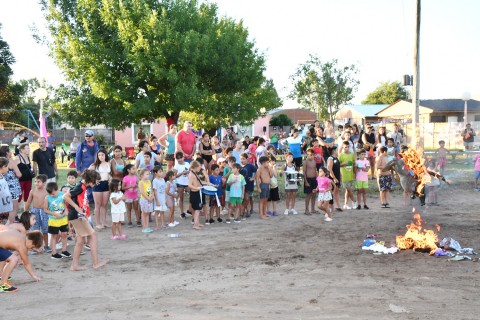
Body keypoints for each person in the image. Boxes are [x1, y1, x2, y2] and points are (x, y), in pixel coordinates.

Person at [63, 169, 108, 271]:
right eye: (95, 180)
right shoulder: (80, 187)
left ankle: (74, 265)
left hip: (77, 215)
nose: (96, 182)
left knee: (80, 240)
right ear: (90, 179)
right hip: (77, 215)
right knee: (92, 235)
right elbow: (66, 197)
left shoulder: (83, 187)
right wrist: (76, 207)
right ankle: (95, 263)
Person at [43, 182, 71, 260]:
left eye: (53, 193)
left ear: (57, 189)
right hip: (53, 220)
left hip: (63, 219)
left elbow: (65, 203)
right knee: (54, 236)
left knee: (64, 234)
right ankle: (54, 253)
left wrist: (66, 210)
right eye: (50, 194)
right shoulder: (47, 198)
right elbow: (45, 210)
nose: (52, 195)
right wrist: (54, 214)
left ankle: (64, 250)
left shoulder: (62, 194)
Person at [24, 174, 49, 251]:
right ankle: (36, 246)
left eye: (39, 182)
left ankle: (46, 245)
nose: (36, 183)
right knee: (35, 230)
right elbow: (28, 202)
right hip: (35, 212)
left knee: (45, 229)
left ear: (44, 183)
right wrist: (25, 212)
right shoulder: (33, 191)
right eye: (35, 181)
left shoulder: (47, 192)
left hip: (44, 212)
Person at [89, 149, 111, 230]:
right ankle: (98, 223)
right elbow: (86, 174)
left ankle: (104, 222)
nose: (101, 156)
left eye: (102, 155)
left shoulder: (108, 163)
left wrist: (110, 179)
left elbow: (108, 174)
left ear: (105, 155)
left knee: (104, 205)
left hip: (106, 185)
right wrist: (93, 182)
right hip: (97, 186)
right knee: (97, 205)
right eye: (99, 155)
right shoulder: (94, 165)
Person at [0, 146, 22, 224]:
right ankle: (10, 225)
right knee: (14, 208)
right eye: (10, 151)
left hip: (3, 191)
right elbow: (19, 174)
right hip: (12, 188)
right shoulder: (10, 161)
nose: (11, 152)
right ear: (7, 153)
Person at [188, 160, 206, 230]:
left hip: (197, 192)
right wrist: (197, 188)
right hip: (195, 193)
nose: (200, 169)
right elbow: (189, 185)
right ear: (195, 167)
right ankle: (195, 224)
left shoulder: (195, 173)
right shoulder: (191, 175)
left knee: (198, 209)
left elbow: (200, 181)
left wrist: (207, 183)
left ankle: (197, 222)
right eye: (199, 167)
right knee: (197, 210)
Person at [339, 141, 356, 210]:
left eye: (348, 147)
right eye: (345, 147)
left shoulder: (352, 154)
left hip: (350, 174)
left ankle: (345, 204)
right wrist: (344, 164)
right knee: (348, 189)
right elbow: (338, 165)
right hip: (344, 175)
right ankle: (354, 201)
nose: (347, 148)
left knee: (348, 191)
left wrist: (355, 173)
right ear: (343, 147)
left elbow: (354, 164)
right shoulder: (341, 155)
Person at [17, 143, 35, 209]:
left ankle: (26, 211)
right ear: (22, 150)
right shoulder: (17, 157)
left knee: (27, 195)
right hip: (20, 180)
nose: (29, 149)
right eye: (27, 148)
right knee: (19, 196)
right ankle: (15, 213)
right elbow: (12, 168)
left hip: (29, 179)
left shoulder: (27, 157)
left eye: (28, 148)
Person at [173, 152, 191, 218]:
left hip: (187, 182)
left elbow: (190, 171)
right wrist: (182, 173)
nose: (180, 160)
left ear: (183, 157)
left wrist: (188, 172)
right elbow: (175, 176)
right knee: (181, 198)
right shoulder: (176, 166)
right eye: (178, 159)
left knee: (192, 194)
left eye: (181, 158)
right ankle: (182, 212)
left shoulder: (187, 164)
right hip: (180, 183)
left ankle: (189, 209)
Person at [239, 153, 257, 217]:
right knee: (243, 199)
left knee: (247, 198)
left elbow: (256, 171)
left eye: (243, 159)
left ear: (247, 159)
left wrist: (253, 178)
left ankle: (246, 211)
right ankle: (245, 210)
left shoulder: (250, 166)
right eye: (241, 159)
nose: (242, 160)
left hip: (249, 185)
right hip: (242, 186)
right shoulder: (240, 167)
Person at [255, 156, 271, 220]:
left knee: (266, 200)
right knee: (262, 200)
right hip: (263, 185)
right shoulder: (259, 169)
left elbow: (271, 175)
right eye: (267, 162)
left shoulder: (267, 169)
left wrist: (270, 169)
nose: (268, 164)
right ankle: (261, 214)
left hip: (267, 185)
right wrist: (258, 187)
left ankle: (264, 213)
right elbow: (257, 179)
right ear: (263, 163)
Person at [327, 146, 342, 212]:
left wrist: (340, 177)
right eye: (337, 150)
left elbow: (338, 169)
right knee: (331, 192)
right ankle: (330, 207)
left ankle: (338, 206)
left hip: (337, 177)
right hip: (332, 178)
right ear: (334, 151)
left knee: (337, 191)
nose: (338, 151)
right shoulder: (330, 158)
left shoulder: (337, 158)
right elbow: (330, 170)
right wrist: (334, 178)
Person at [303, 148, 318, 215]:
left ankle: (313, 209)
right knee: (308, 195)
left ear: (314, 155)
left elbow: (315, 170)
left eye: (311, 155)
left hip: (314, 179)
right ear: (307, 155)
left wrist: (318, 179)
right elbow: (304, 172)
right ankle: (306, 209)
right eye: (308, 155)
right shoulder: (305, 162)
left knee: (314, 194)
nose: (310, 156)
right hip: (308, 179)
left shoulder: (314, 161)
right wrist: (306, 181)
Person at [138, 169, 153, 233]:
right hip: (144, 199)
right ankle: (144, 227)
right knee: (144, 213)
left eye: (149, 174)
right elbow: (142, 192)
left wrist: (152, 197)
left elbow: (151, 190)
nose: (148, 175)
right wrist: (148, 198)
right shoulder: (141, 182)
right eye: (146, 174)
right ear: (142, 175)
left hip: (149, 199)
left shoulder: (149, 181)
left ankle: (147, 226)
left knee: (147, 213)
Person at [0, 157, 13, 224]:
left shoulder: (2, 176)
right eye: (7, 166)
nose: (8, 168)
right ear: (3, 166)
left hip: (5, 207)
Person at [223, 156, 236, 222]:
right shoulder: (226, 169)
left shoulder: (236, 168)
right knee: (228, 199)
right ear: (228, 162)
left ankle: (232, 212)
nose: (232, 163)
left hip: (235, 187)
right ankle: (229, 212)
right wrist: (230, 171)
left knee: (233, 199)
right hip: (228, 187)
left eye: (233, 162)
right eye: (231, 162)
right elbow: (224, 177)